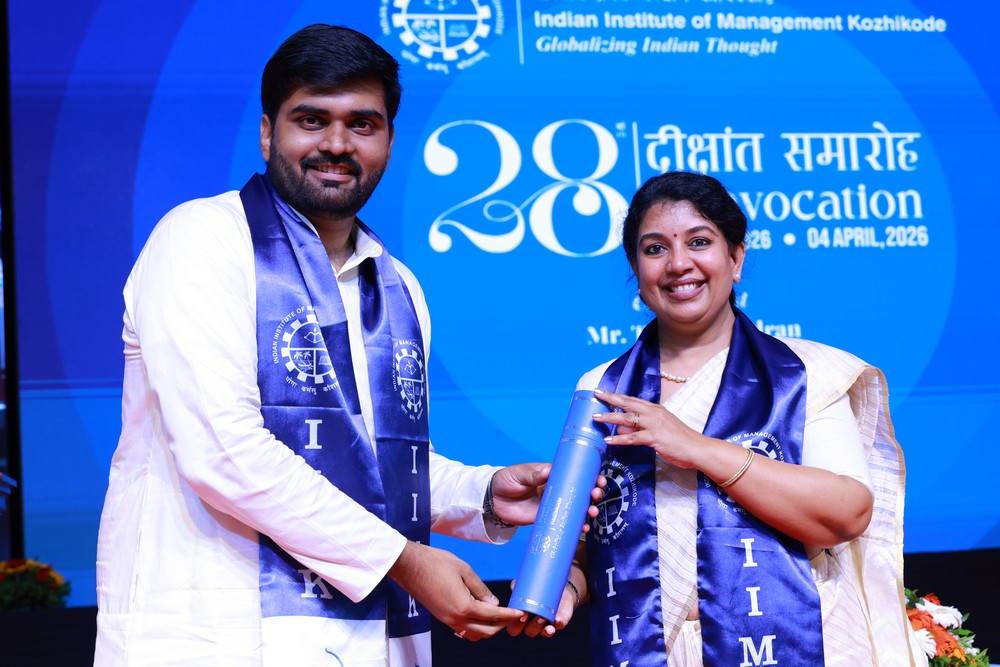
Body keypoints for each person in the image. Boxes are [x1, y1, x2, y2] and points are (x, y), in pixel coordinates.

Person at [95, 24, 586, 666]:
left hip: (371, 643)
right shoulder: (201, 240)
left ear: (388, 140)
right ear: (267, 131)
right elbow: (224, 449)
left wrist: (485, 493)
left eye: (362, 124)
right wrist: (404, 560)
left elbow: (372, 465)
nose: (336, 143)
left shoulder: (398, 284)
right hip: (222, 636)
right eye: (311, 119)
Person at [509, 171, 925, 666]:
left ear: (736, 258)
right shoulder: (603, 387)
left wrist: (697, 448)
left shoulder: (802, 373)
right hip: (653, 651)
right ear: (636, 270)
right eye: (655, 249)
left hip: (797, 643)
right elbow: (590, 542)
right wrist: (568, 589)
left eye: (699, 242)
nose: (678, 264)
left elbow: (848, 513)